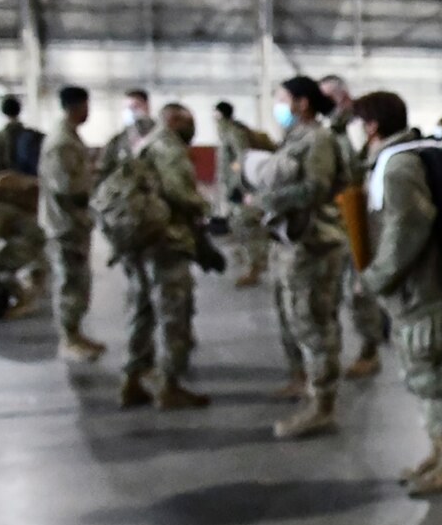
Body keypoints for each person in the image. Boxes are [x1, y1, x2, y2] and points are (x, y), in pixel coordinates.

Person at [353, 90, 442, 496]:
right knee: (419, 375)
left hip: (419, 288)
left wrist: (378, 276)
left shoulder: (399, 166)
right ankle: (439, 451)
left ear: (371, 125)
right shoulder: (397, 158)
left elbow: (408, 228)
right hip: (410, 288)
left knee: (430, 374)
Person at [253, 76, 349, 439]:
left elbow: (317, 187)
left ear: (302, 103)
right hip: (291, 240)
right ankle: (303, 380)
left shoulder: (318, 139)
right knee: (292, 317)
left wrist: (265, 201)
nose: (278, 106)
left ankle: (322, 405)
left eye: (282, 99)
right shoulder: (294, 139)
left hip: (314, 243)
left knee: (312, 324)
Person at [117, 104, 211, 411]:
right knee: (174, 312)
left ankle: (132, 380)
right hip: (167, 242)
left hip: (139, 240)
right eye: (189, 123)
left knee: (141, 310)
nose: (193, 130)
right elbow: (180, 194)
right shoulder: (169, 148)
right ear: (173, 121)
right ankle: (170, 386)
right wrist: (206, 207)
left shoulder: (143, 145)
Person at [319, 74, 384, 378]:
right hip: (334, 217)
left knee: (360, 287)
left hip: (360, 214)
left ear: (343, 97)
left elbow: (359, 171)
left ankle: (370, 348)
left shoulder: (358, 126)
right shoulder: (330, 128)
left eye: (330, 96)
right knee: (339, 289)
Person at [39, 86, 107, 361]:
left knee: (79, 281)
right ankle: (68, 340)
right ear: (77, 106)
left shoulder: (69, 137)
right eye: (86, 106)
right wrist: (95, 180)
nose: (88, 111)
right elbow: (68, 187)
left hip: (74, 223)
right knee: (69, 281)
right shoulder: (61, 142)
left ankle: (77, 333)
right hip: (64, 225)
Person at [0, 95, 48, 315]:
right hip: (30, 198)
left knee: (6, 251)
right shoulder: (31, 137)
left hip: (5, 199)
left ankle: (27, 295)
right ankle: (37, 279)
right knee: (27, 235)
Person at [215, 102, 271, 288]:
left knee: (248, 225)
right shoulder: (226, 133)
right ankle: (251, 261)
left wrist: (235, 178)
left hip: (240, 187)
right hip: (233, 187)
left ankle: (255, 266)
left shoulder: (234, 132)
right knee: (237, 224)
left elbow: (241, 157)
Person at [97, 89, 157, 180]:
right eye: (127, 108)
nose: (131, 112)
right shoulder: (117, 141)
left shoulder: (160, 134)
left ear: (147, 106)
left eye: (135, 107)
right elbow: (104, 169)